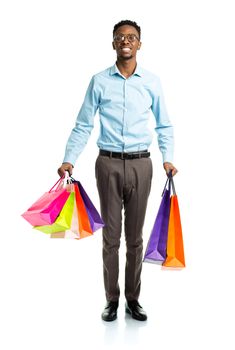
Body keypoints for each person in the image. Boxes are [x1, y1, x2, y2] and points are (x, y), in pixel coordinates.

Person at [58, 19, 178, 322]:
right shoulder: (99, 81)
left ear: (139, 44)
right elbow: (83, 124)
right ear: (113, 43)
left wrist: (168, 158)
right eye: (120, 37)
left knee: (135, 238)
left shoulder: (151, 82)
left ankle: (133, 299)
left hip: (141, 164)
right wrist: (69, 158)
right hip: (108, 164)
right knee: (111, 236)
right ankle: (111, 299)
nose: (126, 40)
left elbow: (164, 125)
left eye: (132, 37)